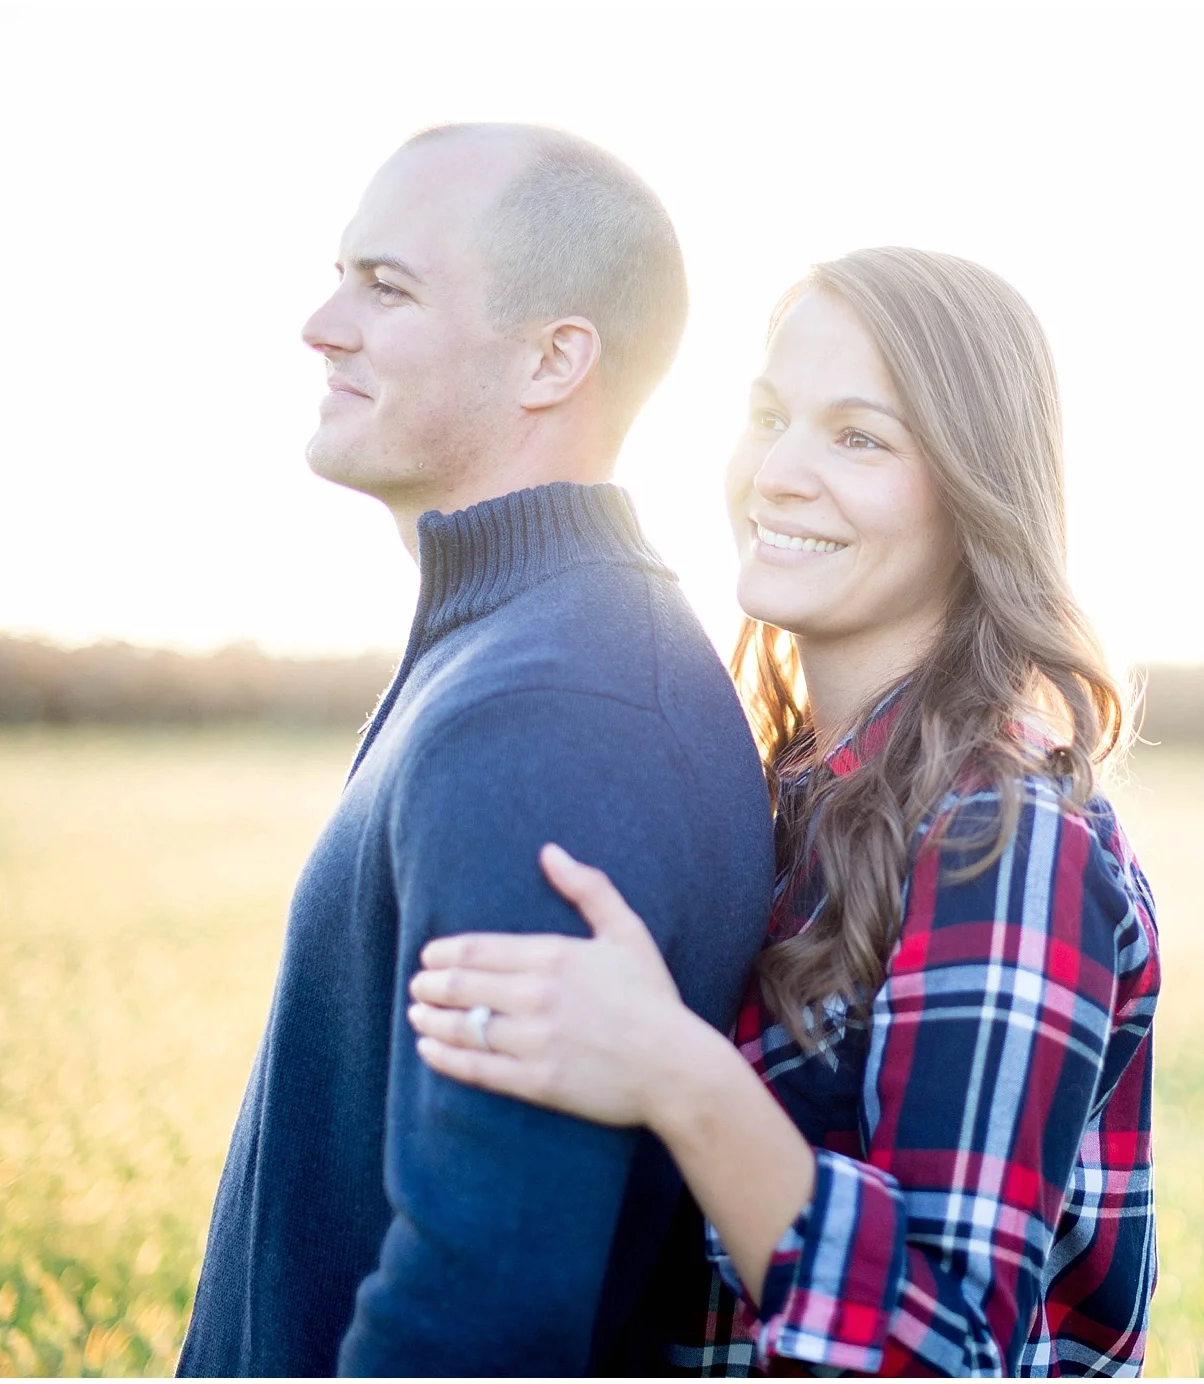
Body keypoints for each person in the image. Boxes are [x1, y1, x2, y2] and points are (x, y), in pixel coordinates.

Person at [405, 247, 1162, 1375]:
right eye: (768, 416)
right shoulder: (781, 789)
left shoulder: (1000, 830)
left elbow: (950, 1351)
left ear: (972, 488)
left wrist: (675, 1070)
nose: (780, 473)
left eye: (858, 437)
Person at [176, 124, 775, 1377]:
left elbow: (486, 1304)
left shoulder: (558, 709)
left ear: (555, 359)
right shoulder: (507, 646)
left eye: (384, 285)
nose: (320, 324)